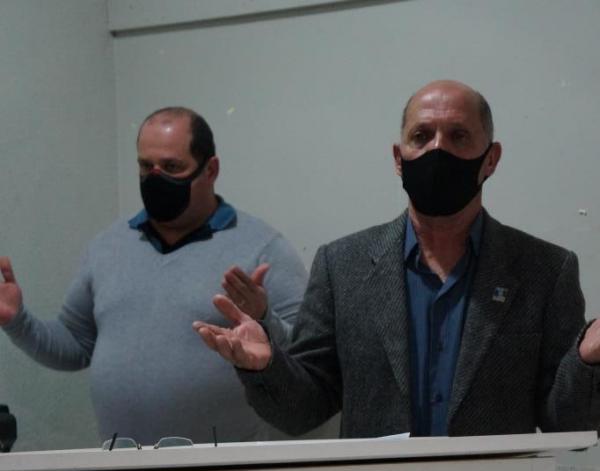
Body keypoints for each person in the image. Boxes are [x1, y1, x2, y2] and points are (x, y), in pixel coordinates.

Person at [194, 80, 600, 438]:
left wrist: (589, 359)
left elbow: (568, 424)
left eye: (458, 135)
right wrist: (266, 368)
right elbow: (303, 411)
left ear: (491, 158)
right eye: (421, 136)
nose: (438, 148)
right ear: (398, 158)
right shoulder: (342, 266)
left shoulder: (545, 270)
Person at [0, 107, 307, 444]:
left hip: (224, 468)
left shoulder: (262, 248)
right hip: (119, 464)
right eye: (146, 166)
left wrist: (264, 318)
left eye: (172, 167)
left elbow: (307, 360)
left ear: (211, 170)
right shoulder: (107, 246)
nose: (156, 179)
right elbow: (75, 345)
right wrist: (17, 320)